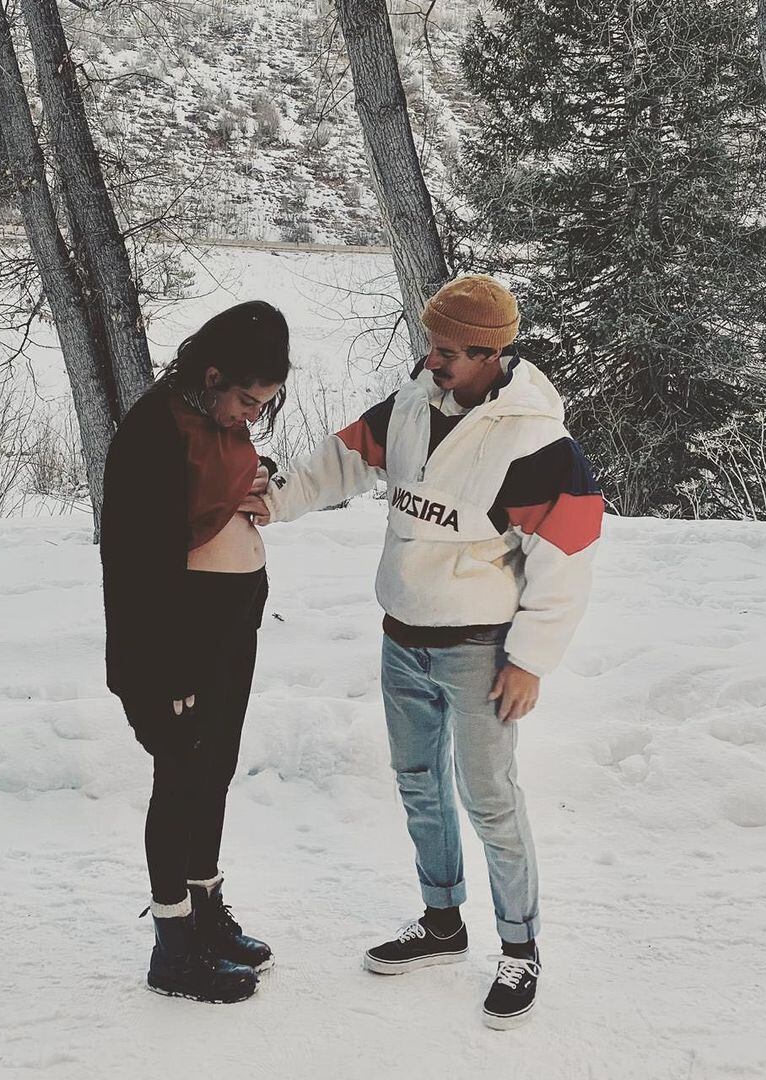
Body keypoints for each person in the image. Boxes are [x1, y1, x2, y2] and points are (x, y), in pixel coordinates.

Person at [244, 276, 603, 1028]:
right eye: (430, 345)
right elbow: (338, 463)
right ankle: (443, 924)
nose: (429, 359)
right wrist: (270, 502)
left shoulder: (538, 442)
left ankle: (519, 947)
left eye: (444, 351)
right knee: (417, 784)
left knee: (490, 799)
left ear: (489, 353)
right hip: (402, 639)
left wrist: (531, 659)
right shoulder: (412, 404)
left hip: (480, 651)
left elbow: (567, 557)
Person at [100, 301, 289, 1004]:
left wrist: (257, 476)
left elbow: (218, 476)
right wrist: (160, 673)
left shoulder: (215, 419)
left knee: (215, 769)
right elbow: (133, 563)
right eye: (246, 399)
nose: (251, 415)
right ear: (211, 374)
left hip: (232, 619)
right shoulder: (153, 430)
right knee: (179, 777)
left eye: (263, 406)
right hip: (177, 634)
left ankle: (206, 912)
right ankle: (173, 946)